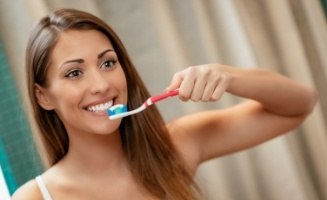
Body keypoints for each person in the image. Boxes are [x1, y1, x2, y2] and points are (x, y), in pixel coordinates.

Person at [11, 8, 317, 200]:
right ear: (43, 96)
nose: (102, 85)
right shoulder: (37, 197)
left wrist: (228, 76)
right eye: (74, 73)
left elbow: (300, 103)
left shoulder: (175, 147)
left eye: (107, 64)